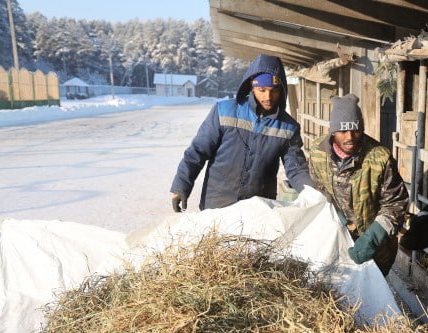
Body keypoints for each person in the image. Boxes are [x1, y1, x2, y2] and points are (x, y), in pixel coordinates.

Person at [169, 54, 313, 211]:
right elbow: (197, 152)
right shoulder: (223, 111)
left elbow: (296, 168)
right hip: (217, 204)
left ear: (282, 90)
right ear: (252, 86)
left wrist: (313, 192)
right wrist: (180, 186)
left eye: (274, 91)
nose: (268, 97)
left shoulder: (288, 127)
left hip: (259, 208)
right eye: (262, 90)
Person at [308, 94, 408, 275]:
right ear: (333, 130)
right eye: (343, 131)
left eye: (356, 130)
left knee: (371, 295)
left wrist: (375, 234)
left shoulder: (380, 158)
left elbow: (396, 202)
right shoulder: (318, 153)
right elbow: (316, 188)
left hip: (376, 249)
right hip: (335, 242)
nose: (350, 137)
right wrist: (331, 210)